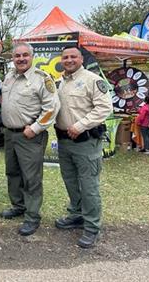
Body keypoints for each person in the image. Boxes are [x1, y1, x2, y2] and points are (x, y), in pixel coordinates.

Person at [54, 47, 113, 249]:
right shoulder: (60, 83)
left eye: (73, 56)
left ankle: (92, 227)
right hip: (64, 142)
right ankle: (77, 215)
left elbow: (105, 108)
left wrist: (80, 125)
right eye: (65, 57)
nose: (69, 60)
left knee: (89, 187)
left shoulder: (92, 80)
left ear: (81, 59)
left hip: (86, 142)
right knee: (71, 182)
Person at [0, 42, 60, 236]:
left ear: (32, 57)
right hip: (10, 133)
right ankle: (19, 206)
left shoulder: (42, 79)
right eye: (17, 56)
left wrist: (35, 128)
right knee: (13, 172)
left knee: (31, 177)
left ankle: (32, 216)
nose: (21, 59)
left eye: (25, 55)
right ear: (13, 58)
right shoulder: (9, 76)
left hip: (30, 137)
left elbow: (52, 108)